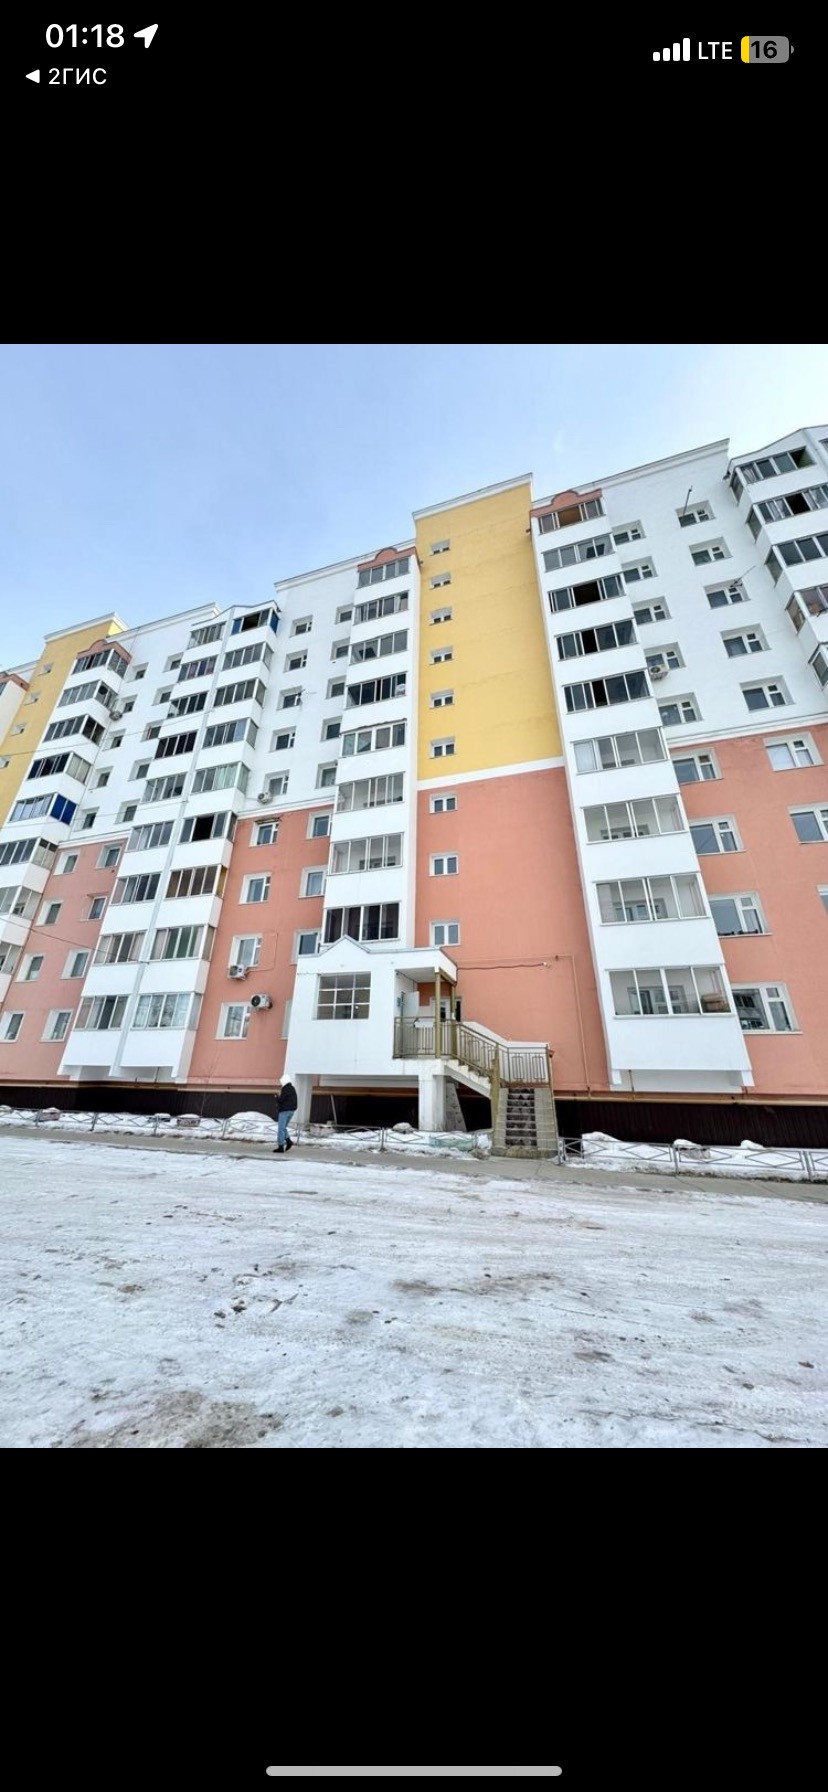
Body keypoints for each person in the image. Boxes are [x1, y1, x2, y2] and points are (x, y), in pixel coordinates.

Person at [274, 1072, 298, 1152]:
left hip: (284, 1111)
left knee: (281, 1128)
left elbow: (281, 1100)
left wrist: (277, 1097)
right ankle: (288, 1141)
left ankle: (281, 1146)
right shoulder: (292, 1088)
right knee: (283, 1128)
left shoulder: (285, 1089)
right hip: (291, 1111)